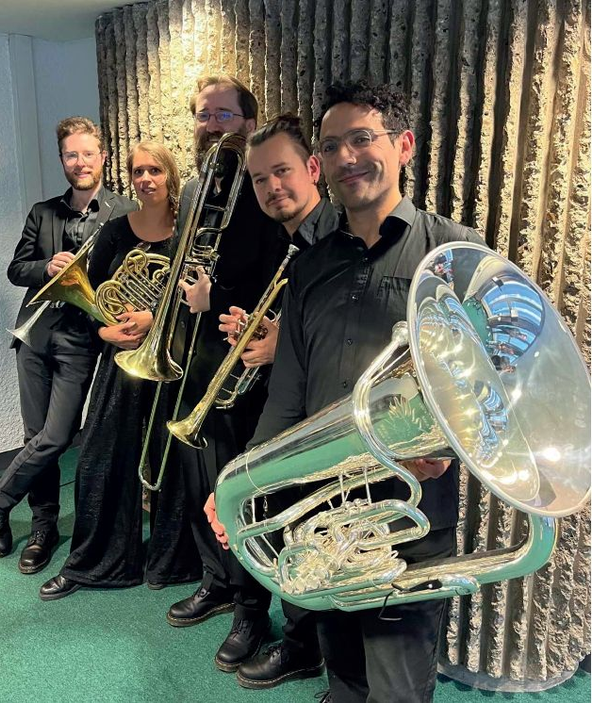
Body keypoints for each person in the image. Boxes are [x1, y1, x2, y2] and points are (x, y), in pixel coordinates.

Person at [207, 80, 484, 703]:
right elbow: (288, 396)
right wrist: (238, 483)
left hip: (408, 511)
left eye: (362, 138)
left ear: (403, 145)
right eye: (331, 146)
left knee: (397, 685)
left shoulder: (456, 252)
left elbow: (494, 380)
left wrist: (451, 446)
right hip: (323, 511)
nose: (346, 158)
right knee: (346, 674)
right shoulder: (309, 265)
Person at [0, 117, 136, 575]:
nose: (80, 162)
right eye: (71, 155)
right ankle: (42, 528)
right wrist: (46, 267)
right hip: (35, 335)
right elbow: (16, 269)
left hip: (81, 337)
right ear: (62, 159)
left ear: (103, 157)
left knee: (58, 435)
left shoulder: (124, 211)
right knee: (35, 436)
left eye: (88, 154)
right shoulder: (43, 212)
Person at [39, 141, 201, 600]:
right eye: (137, 172)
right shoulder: (113, 231)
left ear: (170, 176)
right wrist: (104, 331)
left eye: (154, 171)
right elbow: (94, 299)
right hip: (122, 358)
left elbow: (195, 296)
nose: (145, 179)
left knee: (174, 461)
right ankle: (95, 562)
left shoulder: (188, 233)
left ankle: (172, 562)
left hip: (171, 357)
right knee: (101, 455)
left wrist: (155, 316)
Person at [164, 75, 285, 674]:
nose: (212, 125)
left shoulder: (262, 188)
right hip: (194, 350)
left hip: (241, 354)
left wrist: (219, 296)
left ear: (248, 122)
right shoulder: (194, 189)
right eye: (203, 115)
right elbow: (182, 262)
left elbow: (276, 274)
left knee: (236, 486)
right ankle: (216, 580)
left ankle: (251, 608)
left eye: (224, 115)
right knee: (196, 476)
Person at [214, 113, 339, 690]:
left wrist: (280, 344)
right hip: (286, 405)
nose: (271, 187)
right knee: (283, 515)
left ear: (313, 168)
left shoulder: (336, 236)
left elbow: (340, 329)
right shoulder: (286, 238)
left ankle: (306, 644)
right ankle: (291, 633)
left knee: (308, 524)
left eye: (281, 171)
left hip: (325, 417)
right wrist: (260, 331)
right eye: (260, 179)